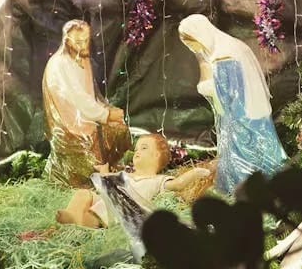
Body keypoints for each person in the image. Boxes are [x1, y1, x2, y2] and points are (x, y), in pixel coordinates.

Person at [178, 14, 287, 194]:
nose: (193, 49)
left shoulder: (224, 55)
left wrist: (204, 84)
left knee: (245, 155)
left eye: (192, 44)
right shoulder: (231, 47)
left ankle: (247, 188)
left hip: (240, 117)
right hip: (249, 112)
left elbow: (227, 92)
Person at [42, 19, 131, 188]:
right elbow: (80, 99)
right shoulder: (61, 64)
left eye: (86, 40)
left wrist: (107, 110)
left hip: (86, 117)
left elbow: (91, 96)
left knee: (120, 128)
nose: (84, 45)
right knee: (103, 134)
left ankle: (108, 172)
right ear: (67, 41)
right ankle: (95, 180)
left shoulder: (82, 60)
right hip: (71, 124)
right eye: (79, 42)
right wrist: (106, 115)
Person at [55, 134, 210, 228]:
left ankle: (78, 221)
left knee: (94, 215)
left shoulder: (157, 180)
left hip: (121, 211)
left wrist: (195, 172)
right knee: (83, 194)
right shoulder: (125, 176)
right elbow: (108, 184)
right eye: (136, 149)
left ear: (156, 155)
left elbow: (178, 184)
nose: (137, 152)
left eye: (143, 148)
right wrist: (104, 172)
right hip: (107, 202)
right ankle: (72, 216)